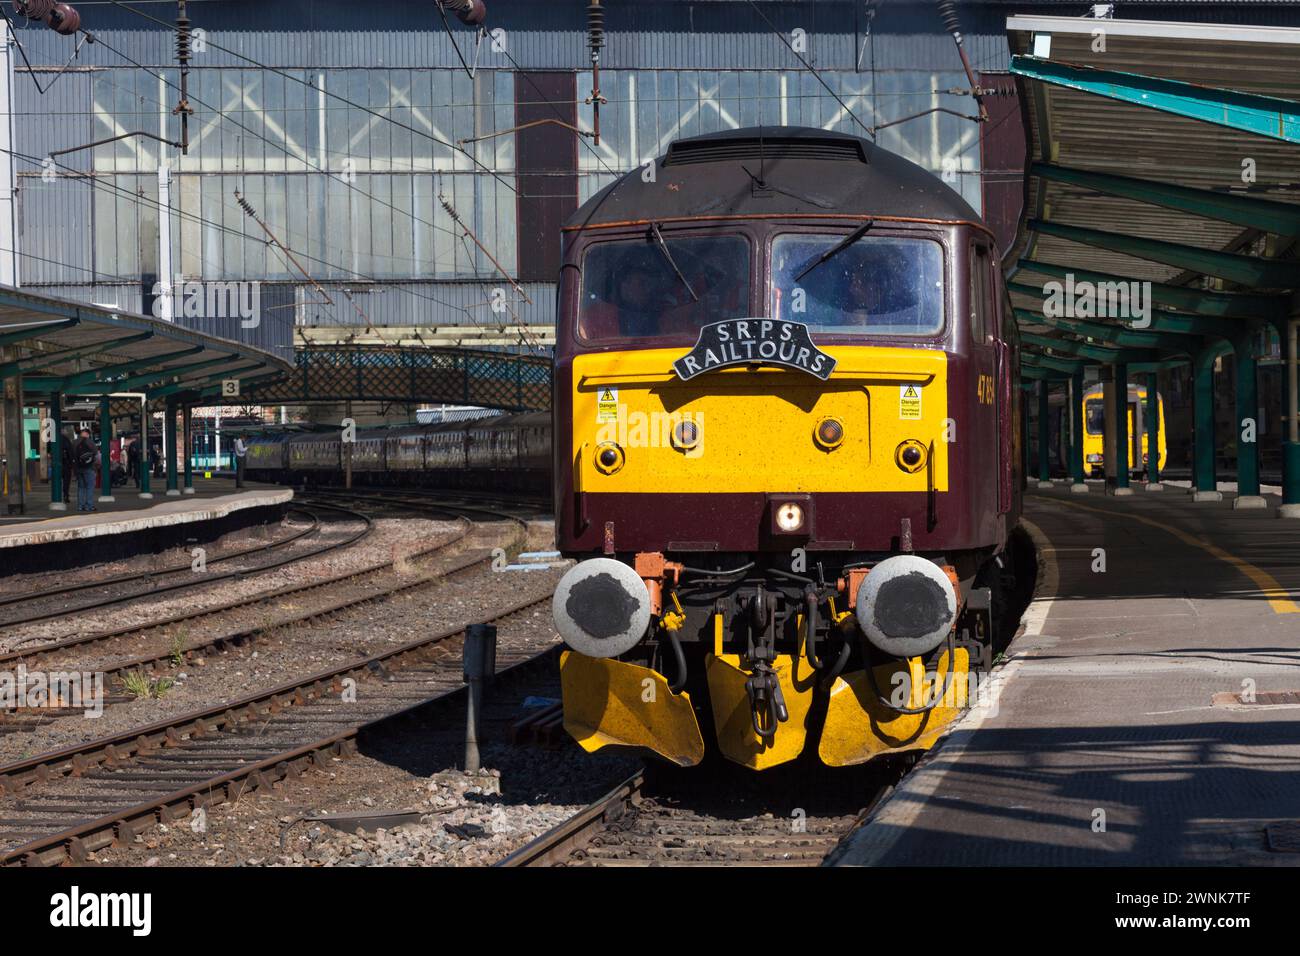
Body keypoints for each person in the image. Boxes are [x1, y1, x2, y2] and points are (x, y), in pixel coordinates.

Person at [72, 427, 99, 513]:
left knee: (81, 487)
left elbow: (72, 454)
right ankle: (89, 506)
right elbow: (95, 453)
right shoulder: (89, 442)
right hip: (89, 467)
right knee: (89, 487)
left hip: (78, 468)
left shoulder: (75, 442)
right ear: (88, 434)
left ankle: (80, 506)